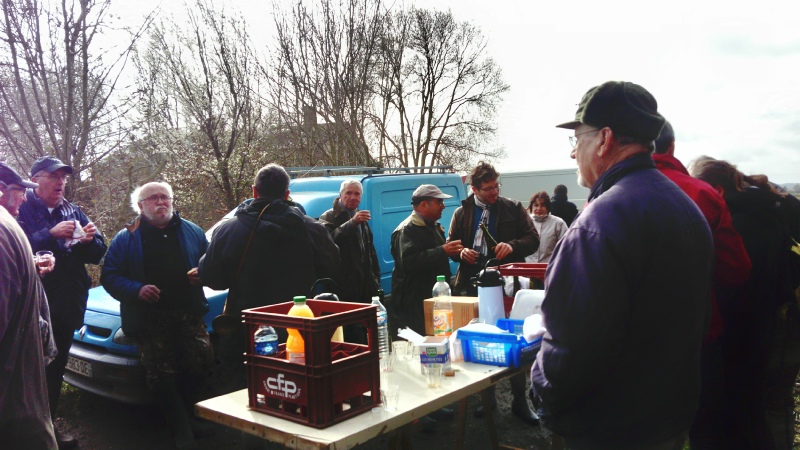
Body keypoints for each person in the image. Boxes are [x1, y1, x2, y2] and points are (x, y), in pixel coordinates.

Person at [531, 81, 714, 450]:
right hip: (668, 419)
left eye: (577, 139)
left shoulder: (599, 223)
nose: (573, 152)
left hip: (610, 427)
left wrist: (540, 394)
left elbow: (571, 346)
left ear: (604, 139)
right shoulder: (684, 206)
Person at [653, 122, 752, 448]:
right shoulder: (703, 193)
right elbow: (736, 270)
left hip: (632, 344)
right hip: (695, 336)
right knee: (704, 430)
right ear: (671, 146)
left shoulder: (602, 197)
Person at [199, 164, 339, 393]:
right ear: (287, 194)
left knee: (246, 396)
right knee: (300, 391)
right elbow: (332, 268)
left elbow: (213, 279)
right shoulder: (312, 228)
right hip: (297, 330)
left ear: (255, 191)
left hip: (245, 333)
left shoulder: (228, 230)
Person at [691, 159, 800, 450]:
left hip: (763, 329)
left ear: (717, 190)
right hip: (783, 320)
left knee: (765, 408)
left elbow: (737, 287)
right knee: (771, 406)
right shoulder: (772, 206)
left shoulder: (737, 223)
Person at [100, 182, 214, 449]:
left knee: (201, 362)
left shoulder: (192, 231)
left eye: (165, 197)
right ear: (141, 206)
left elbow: (210, 263)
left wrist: (204, 273)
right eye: (153, 198)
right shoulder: (126, 237)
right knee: (162, 375)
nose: (161, 202)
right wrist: (136, 289)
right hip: (149, 318)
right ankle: (181, 431)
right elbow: (110, 276)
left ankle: (187, 419)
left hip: (188, 312)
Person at [17, 156, 107, 449]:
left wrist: (89, 241)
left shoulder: (73, 210)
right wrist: (50, 234)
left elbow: (97, 253)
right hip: (30, 307)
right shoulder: (20, 207)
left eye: (63, 178)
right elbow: (12, 248)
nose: (60, 183)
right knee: (25, 371)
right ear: (35, 180)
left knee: (55, 369)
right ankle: (22, 432)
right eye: (54, 176)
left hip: (67, 304)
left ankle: (49, 429)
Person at [447, 162, 540, 425]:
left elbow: (533, 239)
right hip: (473, 283)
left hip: (508, 284)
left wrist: (512, 246)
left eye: (496, 186)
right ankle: (486, 400)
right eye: (488, 188)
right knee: (480, 339)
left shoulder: (513, 208)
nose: (494, 192)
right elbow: (452, 245)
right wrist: (461, 252)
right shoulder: (461, 212)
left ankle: (519, 401)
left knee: (514, 338)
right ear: (475, 189)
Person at [0, 180, 58, 449]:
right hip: (20, 396)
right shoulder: (7, 225)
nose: (25, 199)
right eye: (21, 192)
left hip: (11, 402)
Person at [318, 179, 381, 343]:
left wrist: (375, 278)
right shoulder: (329, 217)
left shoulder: (360, 215)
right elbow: (328, 244)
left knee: (368, 334)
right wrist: (351, 224)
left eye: (357, 194)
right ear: (340, 195)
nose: (353, 197)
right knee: (349, 335)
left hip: (364, 287)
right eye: (349, 193)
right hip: (343, 288)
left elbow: (369, 251)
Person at [524, 191, 567, 264]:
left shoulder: (558, 223)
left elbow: (566, 247)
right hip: (526, 267)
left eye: (542, 205)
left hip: (549, 266)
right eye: (536, 205)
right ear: (531, 207)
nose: (539, 208)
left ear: (548, 207)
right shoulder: (524, 222)